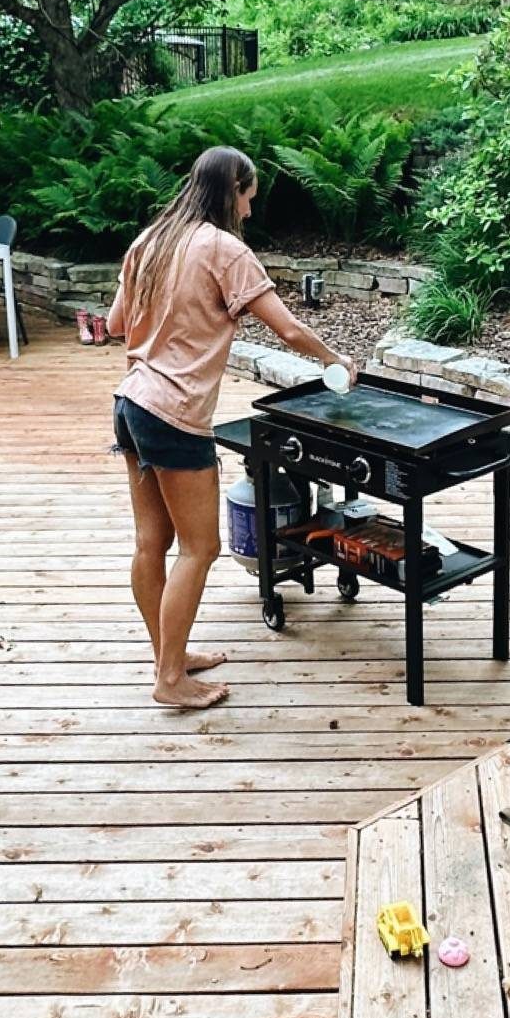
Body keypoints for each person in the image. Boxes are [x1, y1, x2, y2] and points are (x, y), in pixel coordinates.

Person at [106, 146, 357, 708]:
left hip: (130, 403)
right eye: (248, 198)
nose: (248, 211)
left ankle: (168, 656)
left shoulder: (149, 241)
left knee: (152, 542)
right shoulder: (224, 248)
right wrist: (336, 361)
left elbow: (117, 324)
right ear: (232, 190)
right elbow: (288, 330)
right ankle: (170, 680)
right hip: (173, 413)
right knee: (201, 548)